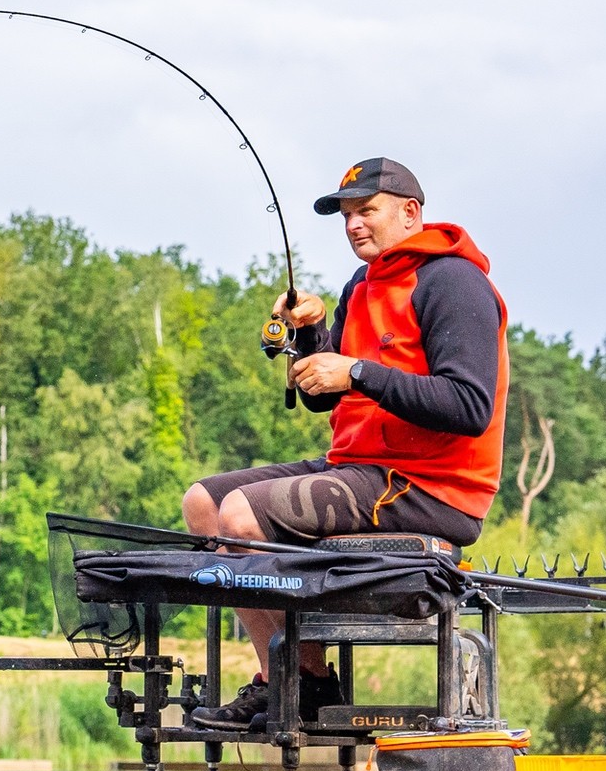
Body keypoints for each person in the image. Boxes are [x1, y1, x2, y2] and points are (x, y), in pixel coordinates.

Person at [184, 157, 509, 730]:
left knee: (241, 516)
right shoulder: (361, 286)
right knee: (203, 504)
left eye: (367, 211)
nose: (354, 225)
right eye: (346, 216)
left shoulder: (454, 282)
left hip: (431, 486)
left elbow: (468, 406)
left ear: (410, 213)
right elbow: (324, 398)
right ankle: (290, 678)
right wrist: (312, 339)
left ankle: (299, 682)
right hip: (361, 467)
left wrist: (355, 371)